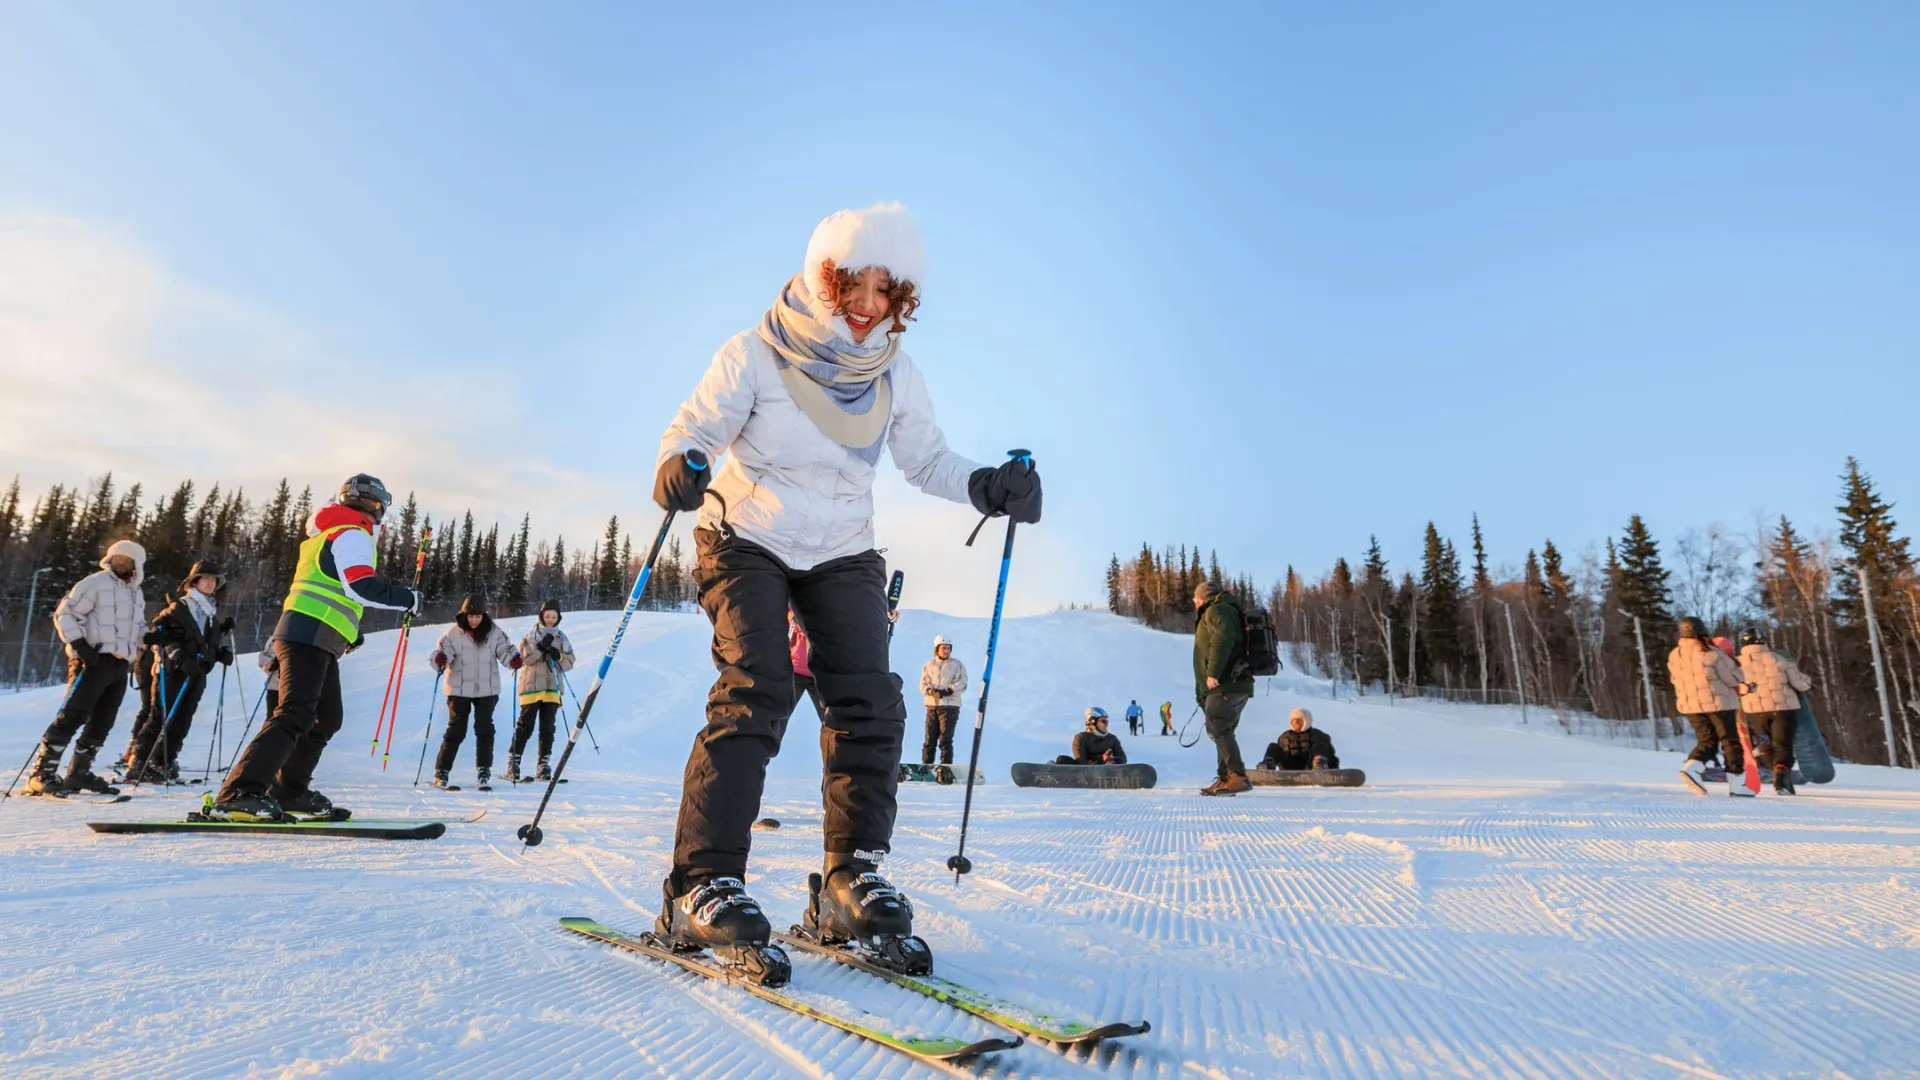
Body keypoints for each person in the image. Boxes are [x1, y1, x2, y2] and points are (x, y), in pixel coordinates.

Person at [648, 202, 1041, 980]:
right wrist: (683, 463)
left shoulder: (894, 372)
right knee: (755, 685)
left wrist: (991, 486)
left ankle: (846, 878)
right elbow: (693, 428)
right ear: (824, 281)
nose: (867, 309)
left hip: (841, 547)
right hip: (744, 534)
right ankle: (700, 885)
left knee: (870, 700)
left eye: (885, 294)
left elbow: (927, 462)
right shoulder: (757, 353)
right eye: (853, 288)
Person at [214, 475, 422, 820]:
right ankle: (239, 792)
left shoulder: (331, 533)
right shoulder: (352, 532)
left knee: (326, 717)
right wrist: (407, 599)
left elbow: (331, 590)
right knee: (295, 712)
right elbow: (360, 585)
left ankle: (289, 791)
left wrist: (347, 633)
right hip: (307, 633)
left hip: (318, 635)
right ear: (376, 504)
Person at [22, 540, 147, 797]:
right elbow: (64, 614)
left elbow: (137, 628)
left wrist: (152, 638)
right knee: (73, 715)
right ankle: (41, 772)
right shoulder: (94, 583)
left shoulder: (136, 592)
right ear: (109, 560)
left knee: (104, 721)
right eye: (117, 558)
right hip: (92, 660)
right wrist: (80, 646)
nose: (121, 563)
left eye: (128, 560)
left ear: (137, 565)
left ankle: (78, 773)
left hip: (119, 664)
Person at [125, 561, 234, 783]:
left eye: (214, 580)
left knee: (183, 719)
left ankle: (163, 761)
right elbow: (161, 633)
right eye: (206, 579)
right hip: (173, 670)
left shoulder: (211, 611)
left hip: (196, 673)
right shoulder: (180, 607)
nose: (211, 583)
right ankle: (139, 763)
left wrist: (220, 653)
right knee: (161, 715)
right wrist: (178, 656)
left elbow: (205, 645)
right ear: (193, 582)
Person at [430, 594, 521, 791]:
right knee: (456, 730)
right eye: (470, 616)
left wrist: (513, 659)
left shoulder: (495, 632)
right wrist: (440, 659)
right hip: (459, 689)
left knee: (484, 729)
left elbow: (506, 651)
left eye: (478, 616)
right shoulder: (453, 634)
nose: (474, 620)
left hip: (487, 690)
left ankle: (483, 770)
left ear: (483, 615)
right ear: (464, 615)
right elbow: (442, 654)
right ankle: (441, 771)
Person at [1668, 616, 1749, 796]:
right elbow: (1733, 678)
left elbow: (1673, 679)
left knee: (1707, 741)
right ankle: (1737, 784)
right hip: (1718, 704)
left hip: (1691, 706)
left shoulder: (1674, 654)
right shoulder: (1712, 653)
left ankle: (1691, 768)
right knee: (1730, 741)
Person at [1194, 581, 1255, 796]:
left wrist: (1213, 674)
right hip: (1233, 683)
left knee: (1217, 724)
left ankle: (1237, 775)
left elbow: (1222, 639)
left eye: (1195, 598)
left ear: (1203, 597)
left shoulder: (1217, 609)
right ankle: (1225, 779)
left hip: (1226, 683)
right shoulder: (1224, 609)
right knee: (1221, 729)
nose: (1194, 602)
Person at [504, 599, 575, 783]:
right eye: (547, 616)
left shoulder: (562, 638)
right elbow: (526, 660)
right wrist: (541, 647)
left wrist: (557, 655)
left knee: (547, 728)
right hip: (531, 688)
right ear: (541, 616)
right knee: (525, 726)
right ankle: (513, 761)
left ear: (558, 618)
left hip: (552, 688)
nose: (550, 620)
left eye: (554, 616)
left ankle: (543, 764)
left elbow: (569, 663)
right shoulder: (530, 637)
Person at [1736, 627, 1813, 795]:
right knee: (1783, 744)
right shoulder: (1778, 659)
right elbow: (1801, 684)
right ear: (1764, 641)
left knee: (1768, 744)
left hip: (1754, 712)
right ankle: (1781, 778)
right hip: (1782, 708)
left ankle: (1777, 775)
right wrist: (1808, 681)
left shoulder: (1736, 664)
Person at [918, 634, 967, 767]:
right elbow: (922, 684)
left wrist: (949, 690)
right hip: (932, 706)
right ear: (937, 649)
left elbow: (962, 682)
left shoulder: (957, 665)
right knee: (929, 739)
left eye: (948, 648)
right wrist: (930, 691)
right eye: (943, 648)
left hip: (950, 706)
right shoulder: (929, 665)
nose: (946, 651)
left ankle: (946, 768)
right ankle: (926, 767)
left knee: (945, 740)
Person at [1260, 707, 1339, 770]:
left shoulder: (1319, 735)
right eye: (1293, 720)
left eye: (1299, 720)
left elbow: (1331, 756)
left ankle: (1320, 765)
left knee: (1320, 745)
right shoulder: (1284, 737)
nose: (1296, 722)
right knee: (1273, 746)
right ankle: (1267, 766)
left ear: (1307, 721)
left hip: (1311, 767)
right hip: (1290, 768)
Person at [1056, 707, 1127, 764]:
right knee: (1062, 760)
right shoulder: (1081, 737)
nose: (1107, 724)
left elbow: (1123, 758)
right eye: (1103, 721)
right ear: (1093, 722)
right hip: (1083, 775)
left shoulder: (1112, 739)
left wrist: (1112, 760)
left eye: (1107, 721)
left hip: (1106, 774)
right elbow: (1080, 760)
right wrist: (1101, 759)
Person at [258, 647, 281, 717]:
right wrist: (270, 664)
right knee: (272, 721)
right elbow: (262, 659)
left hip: (294, 690)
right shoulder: (273, 640)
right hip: (274, 689)